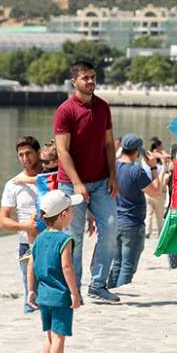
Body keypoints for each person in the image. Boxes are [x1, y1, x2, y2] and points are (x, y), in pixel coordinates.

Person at [54, 60, 120, 303]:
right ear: (74, 81)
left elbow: (109, 144)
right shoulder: (65, 111)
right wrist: (78, 183)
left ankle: (98, 284)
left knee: (112, 229)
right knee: (75, 238)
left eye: (93, 77)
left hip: (102, 182)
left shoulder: (103, 107)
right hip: (71, 186)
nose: (91, 81)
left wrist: (114, 176)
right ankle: (75, 290)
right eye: (86, 78)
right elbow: (62, 151)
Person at [27, 190, 82, 353]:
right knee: (59, 336)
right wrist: (75, 293)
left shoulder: (39, 239)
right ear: (63, 215)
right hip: (60, 296)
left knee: (50, 336)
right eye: (71, 211)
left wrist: (30, 290)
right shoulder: (64, 240)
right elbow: (67, 268)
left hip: (43, 295)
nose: (73, 214)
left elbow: (31, 264)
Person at [107, 134, 162, 288]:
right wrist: (152, 167)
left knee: (116, 263)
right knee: (127, 266)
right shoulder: (136, 171)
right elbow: (156, 192)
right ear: (138, 151)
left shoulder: (113, 168)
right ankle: (123, 295)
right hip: (132, 224)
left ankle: (111, 291)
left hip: (114, 222)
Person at [0, 136, 42, 313]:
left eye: (29, 153)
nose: (25, 159)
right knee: (30, 297)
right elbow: (3, 220)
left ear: (38, 153)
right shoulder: (13, 184)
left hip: (54, 241)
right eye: (21, 155)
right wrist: (26, 226)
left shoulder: (51, 177)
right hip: (27, 245)